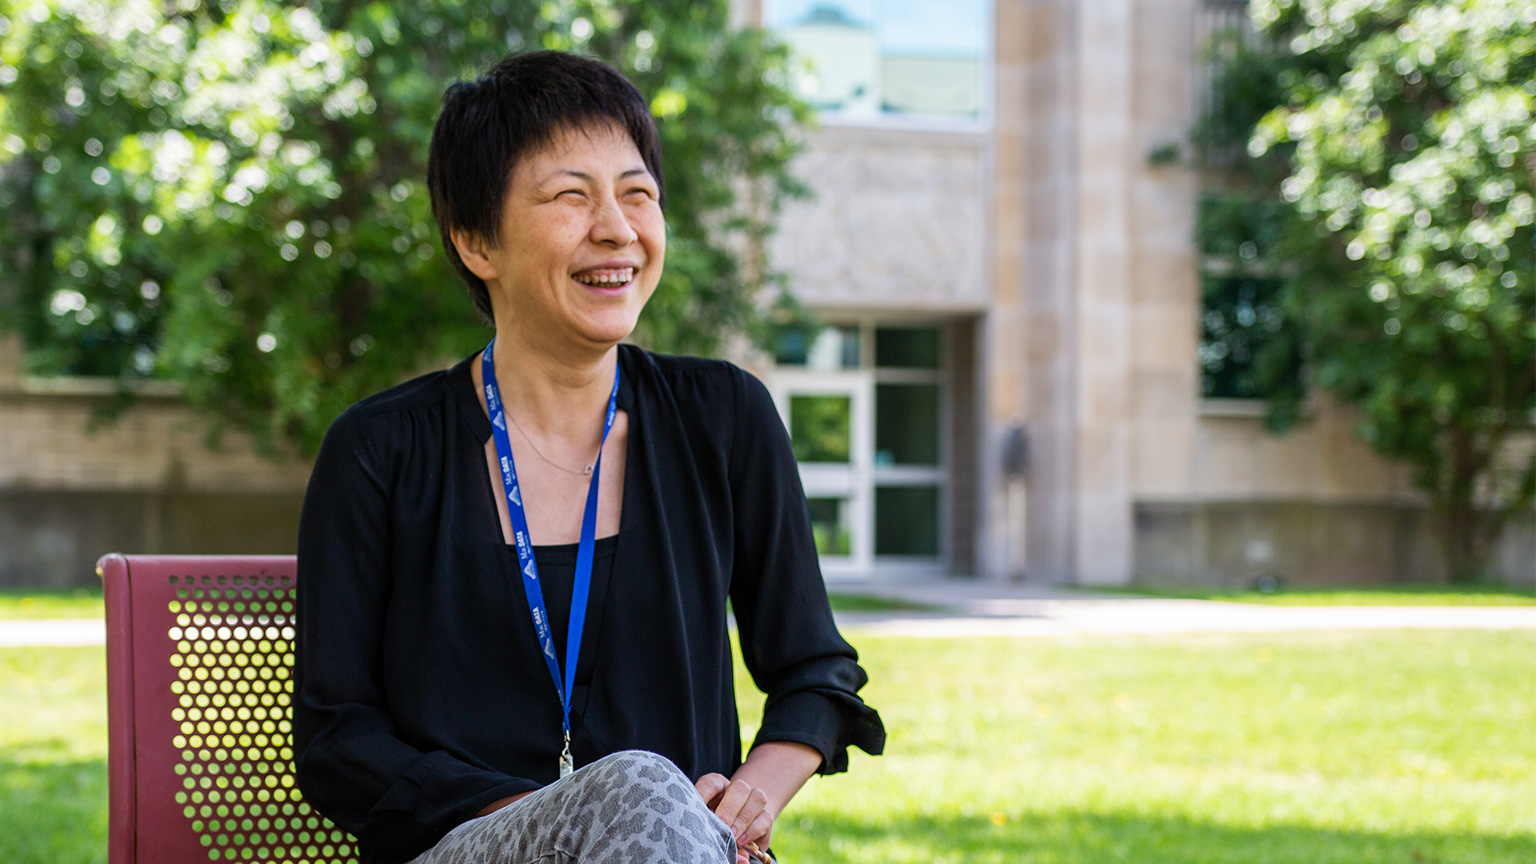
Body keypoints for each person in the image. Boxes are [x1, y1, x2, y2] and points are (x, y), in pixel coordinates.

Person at [293, 50, 885, 864]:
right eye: (571, 196)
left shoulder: (724, 417)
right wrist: (581, 814)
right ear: (476, 242)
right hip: (467, 849)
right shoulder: (380, 450)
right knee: (638, 782)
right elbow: (338, 739)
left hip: (688, 849)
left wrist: (743, 803)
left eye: (637, 193)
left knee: (652, 802)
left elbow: (817, 674)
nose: (618, 227)